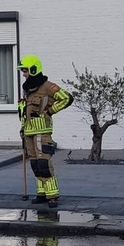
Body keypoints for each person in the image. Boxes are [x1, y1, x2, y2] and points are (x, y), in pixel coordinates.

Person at [17, 55, 72, 208]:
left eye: (25, 71)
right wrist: (23, 128)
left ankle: (52, 195)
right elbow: (25, 111)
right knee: (35, 163)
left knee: (44, 163)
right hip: (29, 131)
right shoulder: (27, 89)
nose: (23, 74)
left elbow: (66, 98)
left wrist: (50, 111)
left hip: (42, 131)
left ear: (33, 70)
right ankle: (41, 193)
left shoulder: (48, 86)